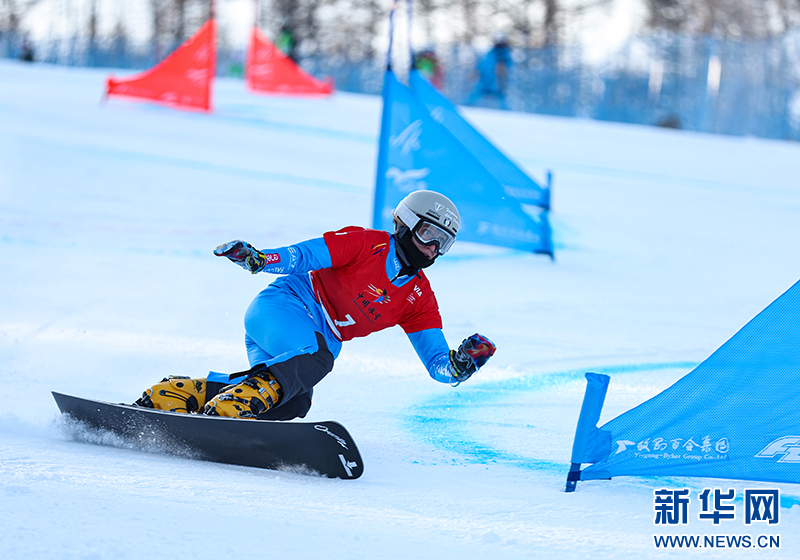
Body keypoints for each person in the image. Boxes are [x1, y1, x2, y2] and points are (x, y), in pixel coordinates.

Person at [135, 191, 496, 420]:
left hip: (308, 347)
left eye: (443, 242)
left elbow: (437, 364)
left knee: (295, 403)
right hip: (282, 310)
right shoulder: (367, 244)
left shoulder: (419, 299)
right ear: (406, 224)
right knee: (318, 359)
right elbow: (303, 256)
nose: (433, 249)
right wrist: (260, 259)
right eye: (428, 234)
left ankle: (178, 394)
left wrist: (459, 367)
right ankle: (228, 409)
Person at [469, 31, 513, 109]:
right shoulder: (490, 53)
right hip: (485, 80)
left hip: (498, 82)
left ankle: (506, 112)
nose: (498, 41)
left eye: (500, 39)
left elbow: (508, 67)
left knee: (501, 98)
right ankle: (466, 107)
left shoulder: (504, 53)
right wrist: (476, 71)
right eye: (496, 39)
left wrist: (504, 69)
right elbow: (482, 64)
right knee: (475, 95)